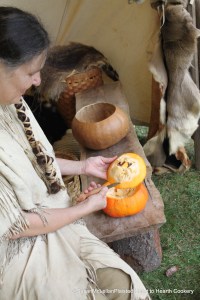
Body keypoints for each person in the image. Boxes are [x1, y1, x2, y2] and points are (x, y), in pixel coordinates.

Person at [0, 6, 151, 300]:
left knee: (124, 285)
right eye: (31, 73)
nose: (38, 82)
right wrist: (82, 209)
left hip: (51, 214)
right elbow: (14, 226)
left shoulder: (9, 104)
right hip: (12, 253)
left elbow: (30, 162)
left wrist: (84, 167)